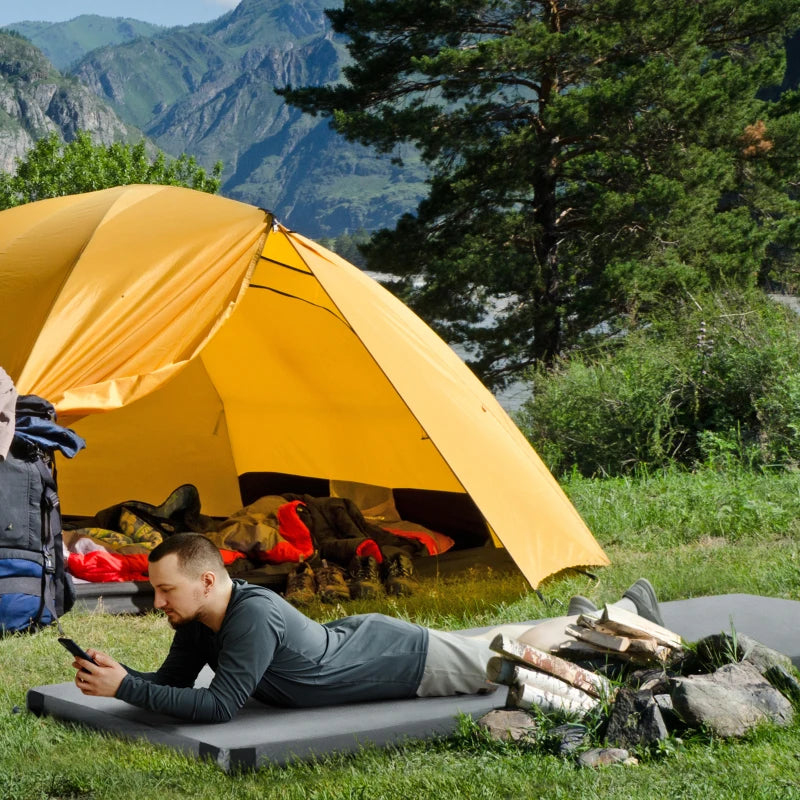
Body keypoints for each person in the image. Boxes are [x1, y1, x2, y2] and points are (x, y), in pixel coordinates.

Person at [71, 533, 664, 723]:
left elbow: (220, 706)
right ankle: (587, 618)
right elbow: (171, 684)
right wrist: (118, 677)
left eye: (165, 589)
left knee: (504, 658)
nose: (156, 601)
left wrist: (126, 689)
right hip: (356, 638)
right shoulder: (198, 618)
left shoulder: (248, 615)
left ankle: (625, 616)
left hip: (396, 659)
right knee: (491, 643)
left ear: (206, 582)